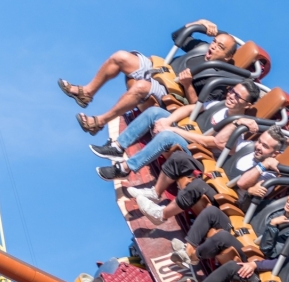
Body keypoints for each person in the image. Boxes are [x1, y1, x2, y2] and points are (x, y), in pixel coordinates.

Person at [61, 20, 237, 135]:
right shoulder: (202, 47)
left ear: (227, 56)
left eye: (219, 46)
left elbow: (199, 107)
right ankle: (87, 93)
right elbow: (177, 36)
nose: (213, 47)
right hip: (161, 72)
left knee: (141, 87)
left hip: (174, 94)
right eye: (214, 42)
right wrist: (199, 23)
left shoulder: (222, 80)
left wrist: (188, 84)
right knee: (120, 57)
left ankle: (99, 122)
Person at [94, 91, 270, 182]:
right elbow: (190, 109)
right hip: (188, 134)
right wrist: (168, 120)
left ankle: (124, 168)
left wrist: (172, 129)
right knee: (155, 112)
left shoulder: (238, 128)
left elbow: (210, 142)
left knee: (167, 136)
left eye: (238, 96)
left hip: (200, 152)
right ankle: (118, 147)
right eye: (232, 91)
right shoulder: (220, 105)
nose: (231, 96)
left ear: (246, 104)